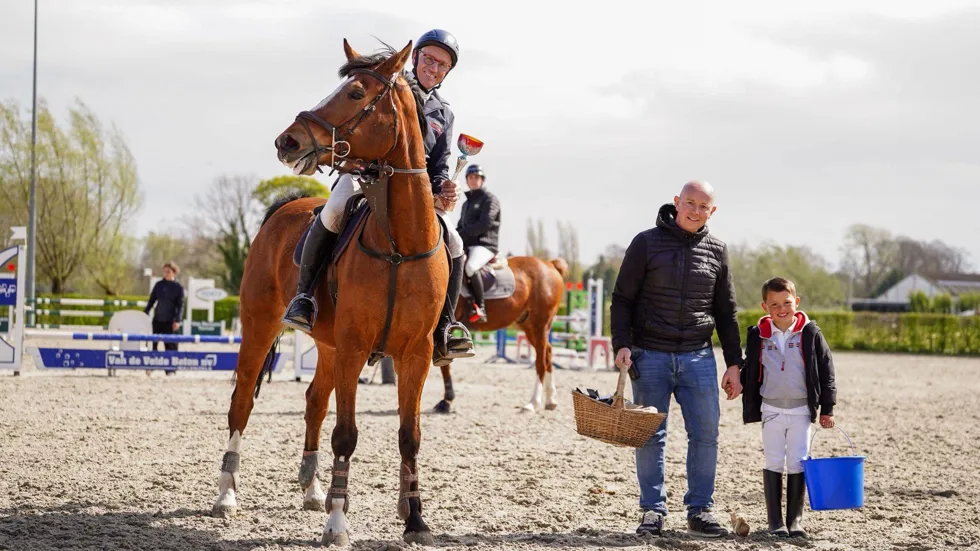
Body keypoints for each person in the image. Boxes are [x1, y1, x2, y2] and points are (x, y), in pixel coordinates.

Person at [281, 29, 474, 366]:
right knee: (334, 211)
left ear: (447, 72)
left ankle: (446, 327)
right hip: (365, 174)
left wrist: (444, 186)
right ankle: (305, 297)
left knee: (454, 243)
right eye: (429, 58)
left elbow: (439, 163)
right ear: (416, 58)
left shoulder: (445, 113)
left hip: (414, 193)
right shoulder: (391, 87)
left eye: (442, 64)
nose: (434, 66)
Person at [610, 180, 743, 538]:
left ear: (711, 212)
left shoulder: (717, 250)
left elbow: (727, 312)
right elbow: (622, 299)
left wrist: (734, 363)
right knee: (651, 436)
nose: (695, 210)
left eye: (704, 206)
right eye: (690, 202)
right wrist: (621, 344)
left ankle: (700, 509)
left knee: (706, 436)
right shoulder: (645, 243)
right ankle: (652, 511)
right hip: (649, 355)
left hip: (699, 358)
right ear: (676, 202)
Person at [740, 277, 837, 538]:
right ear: (764, 306)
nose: (781, 309)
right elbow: (749, 369)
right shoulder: (757, 334)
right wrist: (737, 384)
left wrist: (827, 408)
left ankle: (794, 521)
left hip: (800, 411)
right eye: (774, 304)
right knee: (773, 459)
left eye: (786, 302)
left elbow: (826, 371)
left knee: (797, 460)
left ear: (797, 301)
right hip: (770, 409)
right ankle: (775, 522)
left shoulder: (812, 334)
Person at [456, 164, 501, 323]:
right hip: (468, 245)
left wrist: (462, 234)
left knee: (470, 267)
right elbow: (460, 226)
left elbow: (485, 223)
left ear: (482, 180)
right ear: (467, 180)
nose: (473, 180)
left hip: (485, 245)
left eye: (477, 177)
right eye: (471, 177)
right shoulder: (466, 204)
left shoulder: (490, 199)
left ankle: (480, 307)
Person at [145, 262, 185, 375]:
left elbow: (181, 306)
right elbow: (152, 300)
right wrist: (145, 312)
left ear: (174, 272)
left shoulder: (179, 288)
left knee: (171, 345)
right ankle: (151, 366)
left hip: (171, 321)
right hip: (158, 319)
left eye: (168, 271)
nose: (165, 273)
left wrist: (177, 320)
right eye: (164, 271)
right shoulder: (158, 285)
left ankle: (170, 369)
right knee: (152, 344)